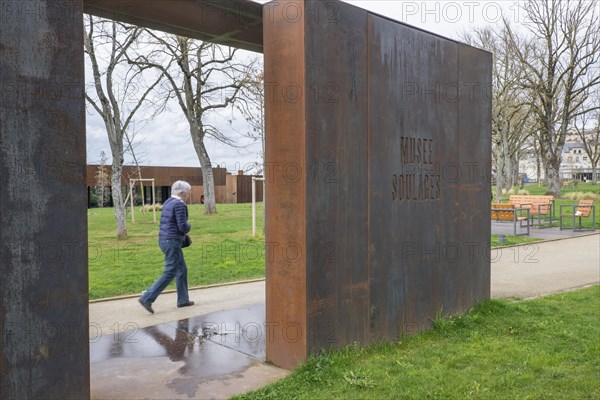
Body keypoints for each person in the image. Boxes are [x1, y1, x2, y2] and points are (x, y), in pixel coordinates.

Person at [139, 180, 194, 313]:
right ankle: (147, 298)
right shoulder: (180, 205)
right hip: (172, 242)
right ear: (181, 193)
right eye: (187, 193)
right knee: (171, 271)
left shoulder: (168, 202)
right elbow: (182, 227)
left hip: (164, 240)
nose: (188, 195)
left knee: (182, 269)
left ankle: (183, 300)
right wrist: (189, 226)